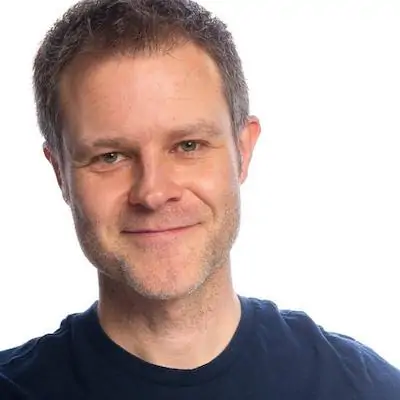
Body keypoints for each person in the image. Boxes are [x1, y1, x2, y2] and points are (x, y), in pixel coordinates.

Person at [0, 0, 399, 398]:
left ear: (243, 151)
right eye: (111, 156)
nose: (154, 192)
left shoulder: (362, 389)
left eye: (188, 145)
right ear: (60, 172)